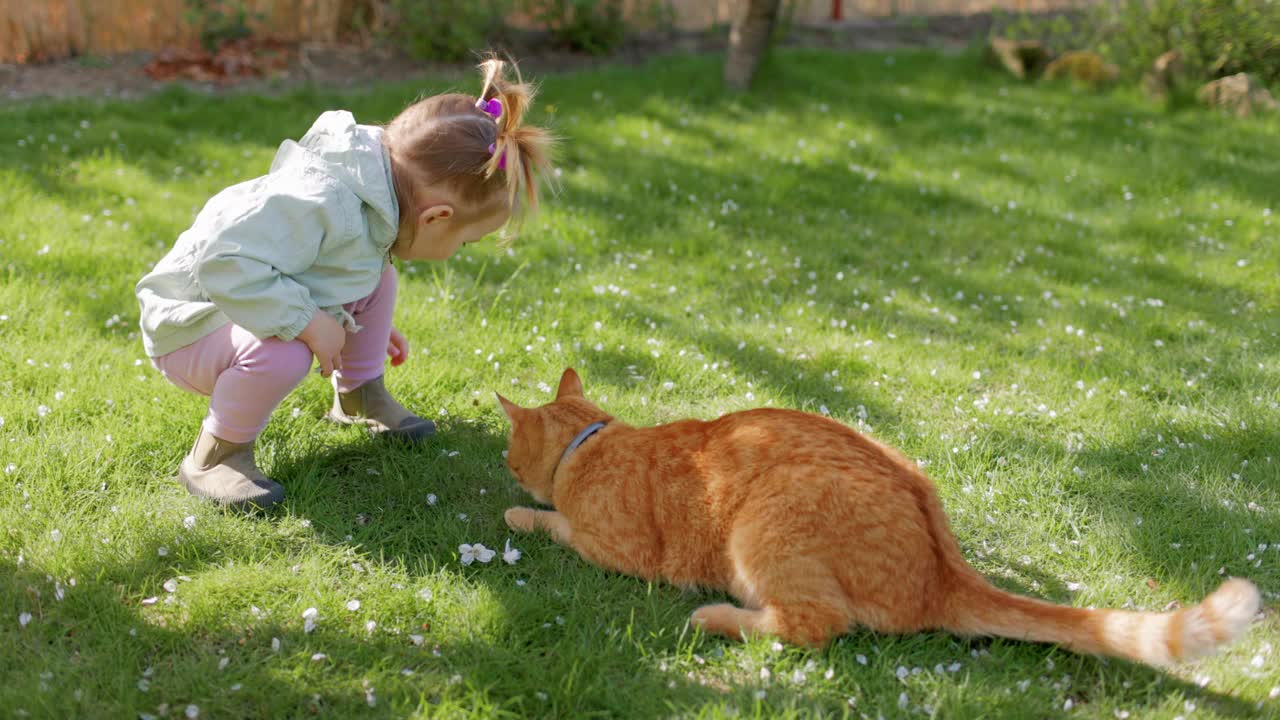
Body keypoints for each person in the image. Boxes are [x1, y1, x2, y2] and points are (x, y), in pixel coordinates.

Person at [135, 57, 553, 508]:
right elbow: (225, 265)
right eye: (466, 242)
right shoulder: (323, 201)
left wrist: (348, 317)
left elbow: (321, 269)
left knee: (379, 280)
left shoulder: (373, 199)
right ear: (436, 218)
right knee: (284, 351)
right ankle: (216, 455)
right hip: (191, 323)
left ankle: (358, 395)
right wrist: (310, 322)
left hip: (237, 301)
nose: (461, 250)